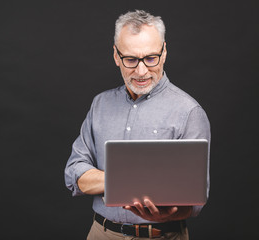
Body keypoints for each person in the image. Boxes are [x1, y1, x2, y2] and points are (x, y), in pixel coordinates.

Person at [64, 9, 210, 240]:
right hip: (101, 233)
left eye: (151, 58)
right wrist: (133, 181)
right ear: (115, 56)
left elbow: (195, 200)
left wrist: (166, 214)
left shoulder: (189, 112)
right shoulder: (100, 104)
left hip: (162, 235)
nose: (141, 71)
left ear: (164, 53)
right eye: (131, 59)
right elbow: (74, 173)